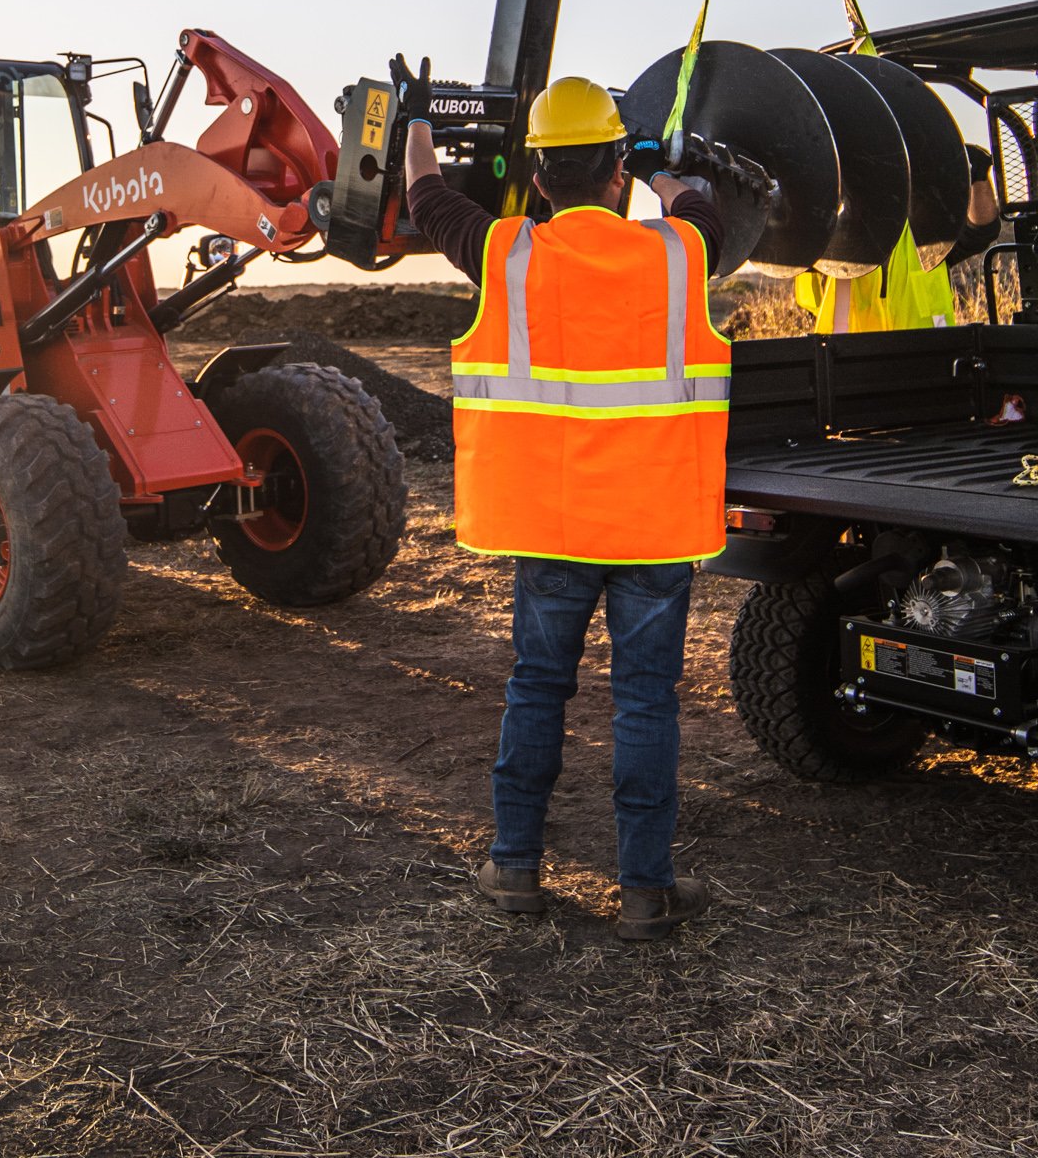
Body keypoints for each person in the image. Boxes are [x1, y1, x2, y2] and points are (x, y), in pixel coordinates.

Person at [404, 76, 730, 942]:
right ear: (616, 168)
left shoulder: (505, 251)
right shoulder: (678, 252)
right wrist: (662, 171)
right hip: (654, 524)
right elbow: (703, 206)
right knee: (646, 702)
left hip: (550, 525)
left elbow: (426, 197)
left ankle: (514, 868)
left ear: (539, 179)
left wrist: (416, 124)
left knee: (538, 687)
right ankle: (645, 891)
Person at [793, 143, 1002, 332]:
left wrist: (978, 178)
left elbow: (981, 230)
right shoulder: (834, 238)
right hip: (849, 363)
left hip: (925, 362)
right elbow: (789, 251)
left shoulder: (927, 234)